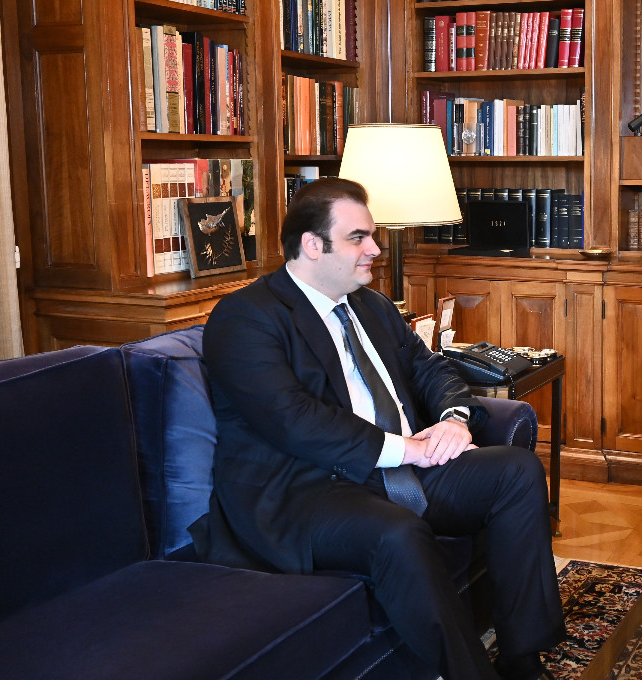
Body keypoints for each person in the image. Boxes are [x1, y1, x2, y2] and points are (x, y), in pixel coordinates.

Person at [189, 177, 565, 680]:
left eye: (371, 236)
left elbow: (431, 369)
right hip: (307, 489)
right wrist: (408, 449)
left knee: (516, 472)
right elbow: (294, 420)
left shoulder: (372, 305)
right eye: (358, 238)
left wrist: (453, 420)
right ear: (312, 245)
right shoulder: (245, 318)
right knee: (398, 534)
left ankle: (523, 660)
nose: (375, 249)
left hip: (398, 468)